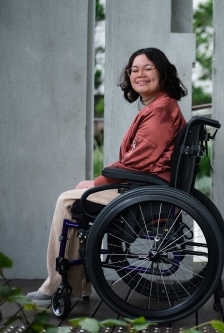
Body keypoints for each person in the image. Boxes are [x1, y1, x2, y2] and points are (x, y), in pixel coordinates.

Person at [27, 47, 187, 305]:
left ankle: (57, 283)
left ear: (162, 72)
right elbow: (137, 160)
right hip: (148, 184)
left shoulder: (160, 110)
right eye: (134, 70)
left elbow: (138, 161)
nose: (140, 74)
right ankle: (77, 284)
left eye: (148, 68)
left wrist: (98, 183)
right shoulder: (161, 106)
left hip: (148, 189)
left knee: (67, 200)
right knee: (78, 195)